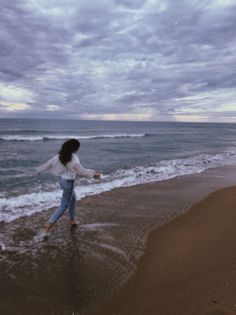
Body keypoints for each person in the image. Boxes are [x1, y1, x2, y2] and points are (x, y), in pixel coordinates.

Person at [37, 138, 101, 238]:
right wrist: (94, 175)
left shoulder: (60, 156)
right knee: (64, 205)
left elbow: (48, 164)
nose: (78, 150)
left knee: (73, 199)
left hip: (62, 181)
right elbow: (81, 171)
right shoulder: (74, 158)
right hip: (69, 183)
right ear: (75, 148)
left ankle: (72, 220)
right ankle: (48, 224)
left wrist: (39, 170)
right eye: (77, 148)